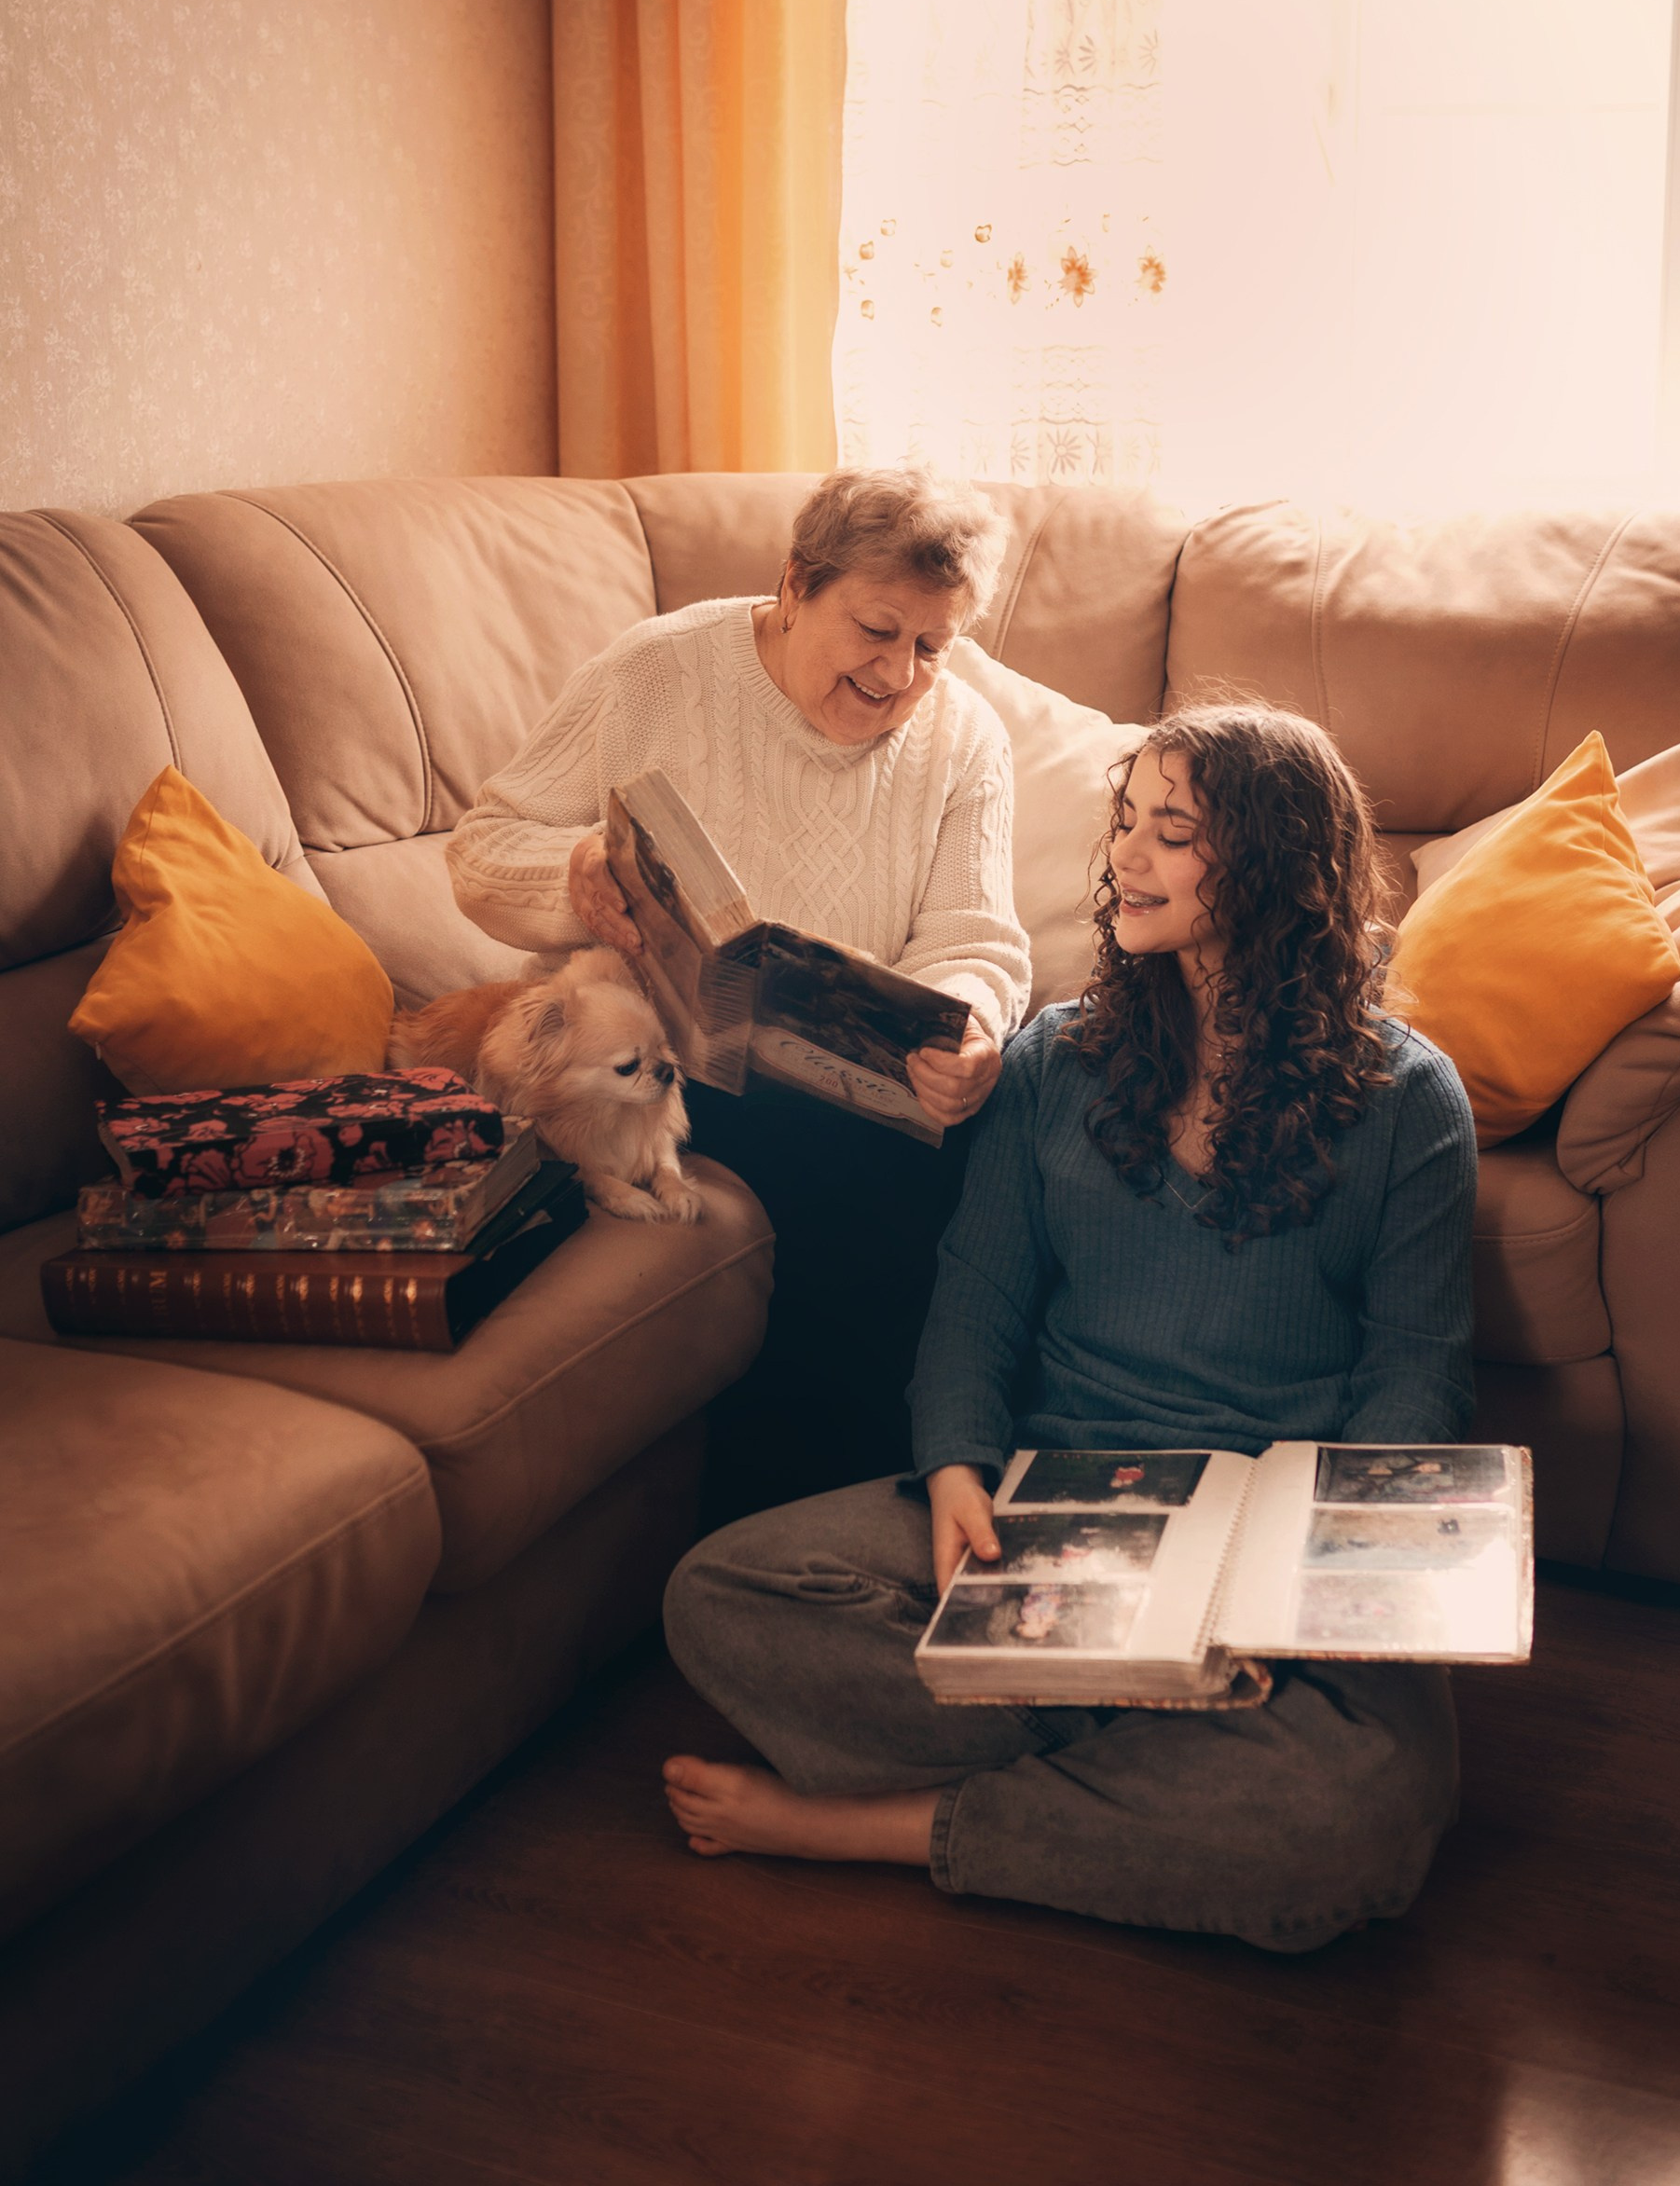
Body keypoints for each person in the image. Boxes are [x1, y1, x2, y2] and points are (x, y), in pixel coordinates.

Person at [658, 703, 1479, 1950]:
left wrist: (1304, 1582)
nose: (1125, 859)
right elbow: (979, 1294)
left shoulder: (1411, 1100)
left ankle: (889, 1822)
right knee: (718, 1594)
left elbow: (1415, 1372)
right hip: (1055, 1514)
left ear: (1278, 866)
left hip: (1261, 1549)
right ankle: (1154, 1749)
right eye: (1125, 823)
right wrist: (954, 1475)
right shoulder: (1058, 1058)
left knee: (1359, 1808)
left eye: (1174, 832)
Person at [447, 468, 1032, 1505]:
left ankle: (872, 1512)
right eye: (876, 630)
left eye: (931, 648)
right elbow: (483, 851)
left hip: (848, 1078)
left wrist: (971, 1030)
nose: (899, 673)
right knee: (850, 1181)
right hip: (660, 1064)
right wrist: (575, 866)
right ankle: (818, 1523)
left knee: (998, 1134)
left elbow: (972, 938)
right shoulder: (656, 672)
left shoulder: (965, 740)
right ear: (796, 585)